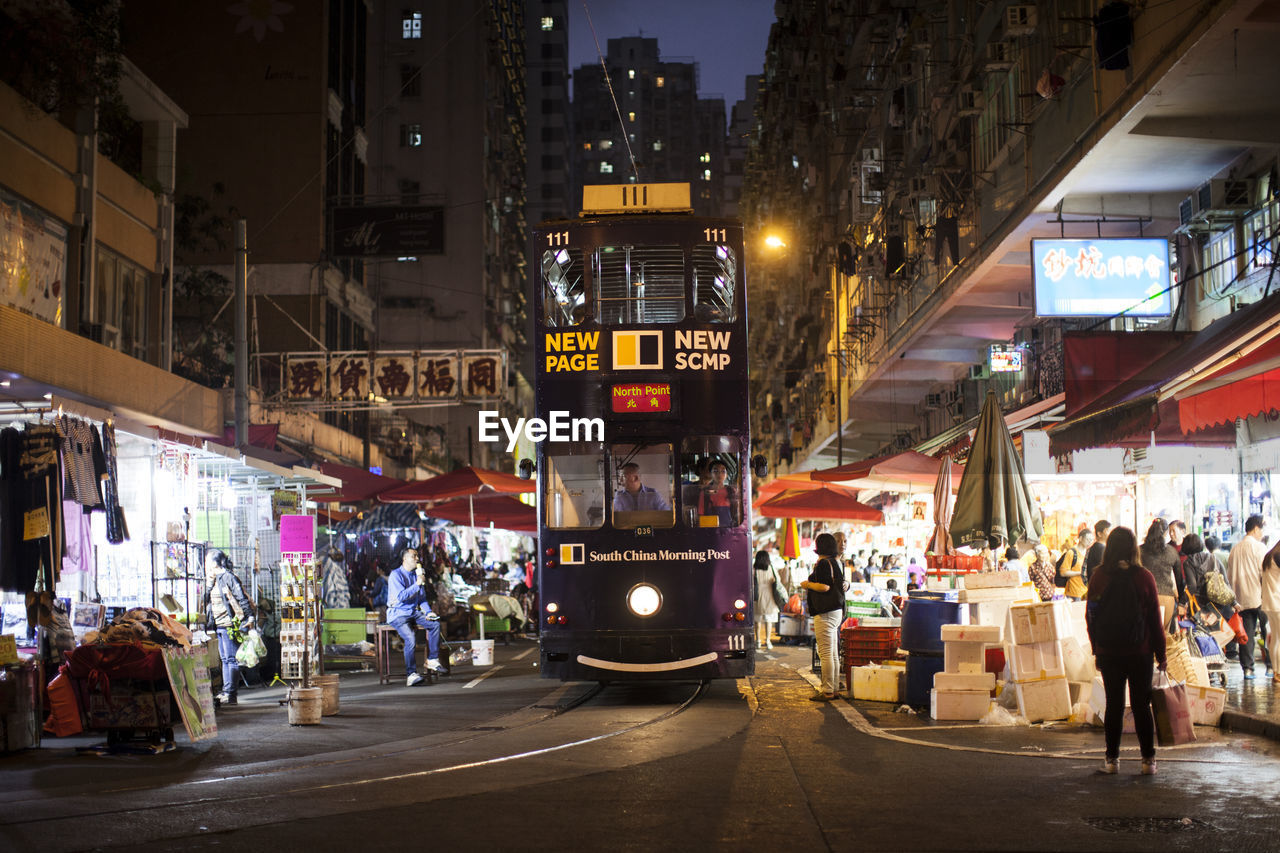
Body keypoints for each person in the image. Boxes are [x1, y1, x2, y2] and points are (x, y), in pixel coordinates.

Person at [1085, 526, 1167, 776]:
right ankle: (1148, 761)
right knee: (1142, 706)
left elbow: (1091, 615)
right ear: (1133, 548)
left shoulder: (1099, 577)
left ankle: (1112, 760)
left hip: (1109, 652)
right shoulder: (1144, 577)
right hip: (1139, 652)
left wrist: (1096, 648)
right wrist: (1161, 655)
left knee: (1114, 705)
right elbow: (1155, 620)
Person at [199, 549, 256, 706]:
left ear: (214, 563)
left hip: (230, 624)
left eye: (207, 561)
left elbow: (241, 597)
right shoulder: (213, 579)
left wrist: (250, 616)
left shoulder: (228, 577)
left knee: (231, 659)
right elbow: (203, 599)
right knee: (224, 659)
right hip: (218, 625)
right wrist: (209, 583)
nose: (205, 565)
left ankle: (231, 694)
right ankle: (227, 691)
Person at [387, 547, 445, 687]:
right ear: (405, 558)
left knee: (435, 625)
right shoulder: (395, 575)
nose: (417, 559)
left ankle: (432, 659)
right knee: (410, 638)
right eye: (414, 556)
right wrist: (417, 584)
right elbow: (400, 597)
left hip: (413, 612)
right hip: (398, 613)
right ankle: (411, 674)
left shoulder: (415, 575)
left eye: (417, 556)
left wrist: (428, 612)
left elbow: (422, 598)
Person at [800, 532, 846, 701]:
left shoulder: (823, 564)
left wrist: (808, 584)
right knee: (833, 653)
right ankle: (833, 689)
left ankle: (827, 690)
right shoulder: (835, 562)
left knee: (826, 653)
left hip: (825, 612)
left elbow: (824, 587)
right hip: (836, 611)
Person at [1226, 515, 1269, 680]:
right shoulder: (1259, 548)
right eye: (1261, 530)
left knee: (1246, 634)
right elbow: (1264, 573)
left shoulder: (1235, 549)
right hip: (1259, 596)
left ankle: (1248, 669)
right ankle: (1271, 667)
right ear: (1256, 529)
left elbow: (1229, 576)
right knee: (1267, 633)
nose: (1262, 533)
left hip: (1241, 599)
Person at [1139, 519, 1180, 631]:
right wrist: (1181, 602)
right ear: (1166, 533)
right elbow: (1179, 580)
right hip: (1166, 597)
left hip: (1145, 597)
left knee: (1145, 637)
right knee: (1163, 637)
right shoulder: (1172, 552)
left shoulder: (1139, 551)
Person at [753, 550, 781, 650]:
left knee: (757, 620)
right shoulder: (772, 568)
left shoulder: (754, 569)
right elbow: (777, 580)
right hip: (770, 595)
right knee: (769, 620)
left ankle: (758, 641)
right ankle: (768, 641)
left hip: (757, 596)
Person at [1261, 539, 1280, 683]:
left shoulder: (1269, 556)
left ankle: (1276, 671)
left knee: (1275, 638)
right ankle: (1278, 672)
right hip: (1277, 601)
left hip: (1269, 602)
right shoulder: (1278, 556)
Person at [697, 460, 739, 526]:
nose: (719, 474)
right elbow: (700, 513)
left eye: (723, 471)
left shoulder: (731, 491)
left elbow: (737, 511)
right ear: (711, 474)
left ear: (727, 475)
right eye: (715, 471)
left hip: (728, 529)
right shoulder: (705, 492)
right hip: (710, 529)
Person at [1055, 533, 1087, 601]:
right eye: (1087, 539)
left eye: (1091, 540)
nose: (1089, 542)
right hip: (1074, 591)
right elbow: (1063, 572)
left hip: (1085, 591)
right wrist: (1080, 573)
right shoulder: (1072, 552)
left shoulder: (1088, 552)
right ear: (1081, 538)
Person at [1084, 520, 1110, 585]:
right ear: (1099, 534)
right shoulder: (1100, 549)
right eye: (1107, 531)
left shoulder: (1094, 547)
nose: (1109, 533)